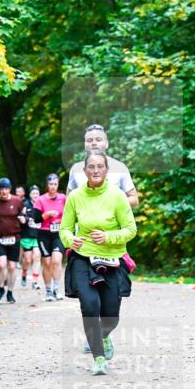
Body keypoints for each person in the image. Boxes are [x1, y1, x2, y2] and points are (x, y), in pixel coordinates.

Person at [60, 151, 137, 375]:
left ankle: (104, 335)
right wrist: (70, 240)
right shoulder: (75, 196)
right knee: (90, 304)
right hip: (83, 257)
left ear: (106, 170)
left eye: (99, 167)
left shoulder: (117, 196)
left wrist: (108, 237)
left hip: (112, 258)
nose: (95, 171)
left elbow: (131, 230)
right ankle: (98, 358)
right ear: (84, 172)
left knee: (111, 315)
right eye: (91, 167)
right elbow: (65, 227)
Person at [68, 124, 139, 208]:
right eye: (89, 140)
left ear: (106, 144)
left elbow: (134, 199)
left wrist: (112, 204)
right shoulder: (76, 169)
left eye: (98, 140)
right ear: (85, 145)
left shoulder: (119, 167)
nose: (94, 143)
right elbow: (68, 200)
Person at [34, 173, 67, 301]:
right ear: (47, 185)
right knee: (47, 263)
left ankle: (56, 289)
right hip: (44, 233)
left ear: (58, 185)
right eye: (51, 184)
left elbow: (70, 215)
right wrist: (46, 214)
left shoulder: (63, 198)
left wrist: (62, 222)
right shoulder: (40, 200)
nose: (53, 187)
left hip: (58, 233)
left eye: (55, 184)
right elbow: (36, 219)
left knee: (57, 261)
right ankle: (48, 291)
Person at [20, 185, 42, 290]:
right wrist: (23, 217)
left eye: (37, 193)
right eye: (33, 193)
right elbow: (19, 217)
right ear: (30, 195)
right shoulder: (25, 204)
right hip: (26, 234)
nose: (35, 195)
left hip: (38, 234)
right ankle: (24, 273)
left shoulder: (42, 204)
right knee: (27, 260)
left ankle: (35, 281)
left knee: (37, 256)